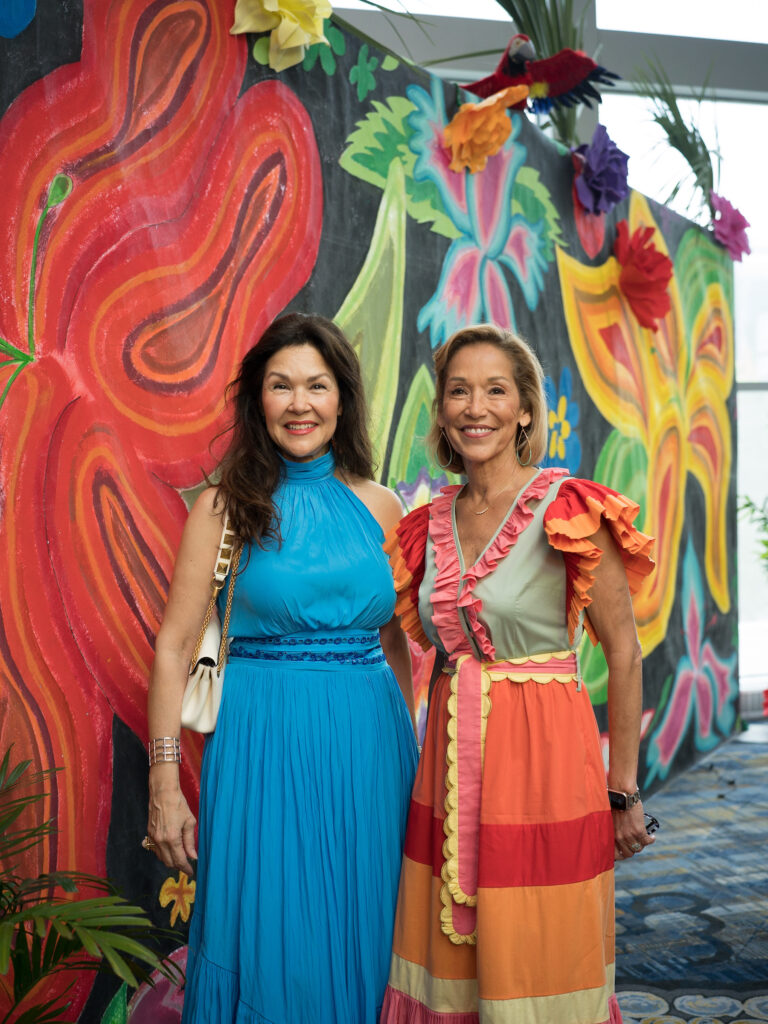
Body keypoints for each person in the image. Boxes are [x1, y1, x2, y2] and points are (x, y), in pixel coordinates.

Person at [144, 313, 419, 1023]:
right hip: (264, 746)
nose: (300, 403)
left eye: (317, 386)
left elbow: (396, 645)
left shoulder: (383, 506)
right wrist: (164, 780)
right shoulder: (224, 507)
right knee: (272, 934)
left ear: (341, 399)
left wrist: (414, 758)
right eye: (281, 385)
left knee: (371, 929)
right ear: (258, 401)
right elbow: (174, 647)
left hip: (372, 752)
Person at [379, 324, 656, 1024]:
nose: (476, 407)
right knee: (449, 964)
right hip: (447, 767)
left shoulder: (570, 511)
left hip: (545, 765)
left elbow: (623, 651)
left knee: (541, 954)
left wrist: (622, 788)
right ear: (441, 410)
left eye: (496, 390)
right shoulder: (426, 523)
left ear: (525, 409)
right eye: (459, 391)